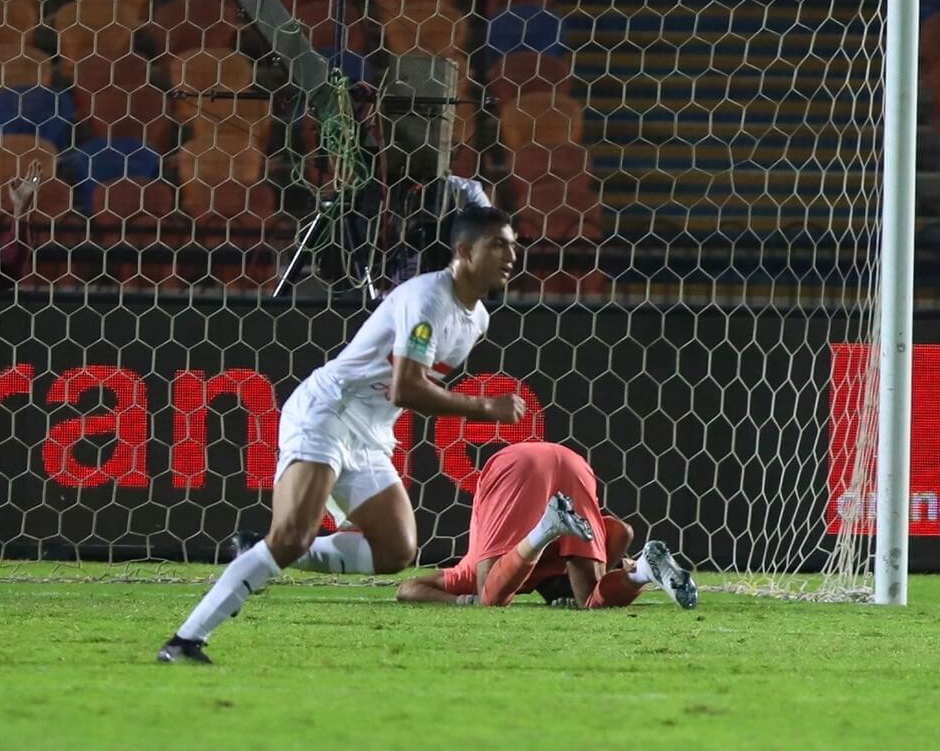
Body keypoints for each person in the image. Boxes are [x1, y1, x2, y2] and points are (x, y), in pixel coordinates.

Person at [158, 204, 527, 664]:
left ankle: (258, 551)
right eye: (498, 245)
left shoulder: (478, 319)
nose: (511, 255)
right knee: (291, 534)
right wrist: (484, 407)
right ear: (465, 251)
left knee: (395, 549)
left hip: (370, 433)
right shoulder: (427, 299)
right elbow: (406, 387)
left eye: (513, 245)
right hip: (328, 412)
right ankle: (185, 641)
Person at [393, 442, 698, 609]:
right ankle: (642, 571)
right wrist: (618, 566)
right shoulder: (559, 562)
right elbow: (621, 531)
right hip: (572, 461)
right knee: (589, 601)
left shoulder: (473, 572)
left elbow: (407, 589)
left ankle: (543, 530)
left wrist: (463, 601)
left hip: (515, 463)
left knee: (489, 597)